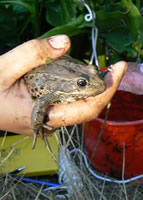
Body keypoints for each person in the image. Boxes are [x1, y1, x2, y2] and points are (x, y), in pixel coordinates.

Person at [0, 34, 128, 137]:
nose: (98, 84)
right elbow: (42, 100)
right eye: (82, 84)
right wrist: (37, 125)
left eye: (94, 71)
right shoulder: (55, 92)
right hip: (30, 79)